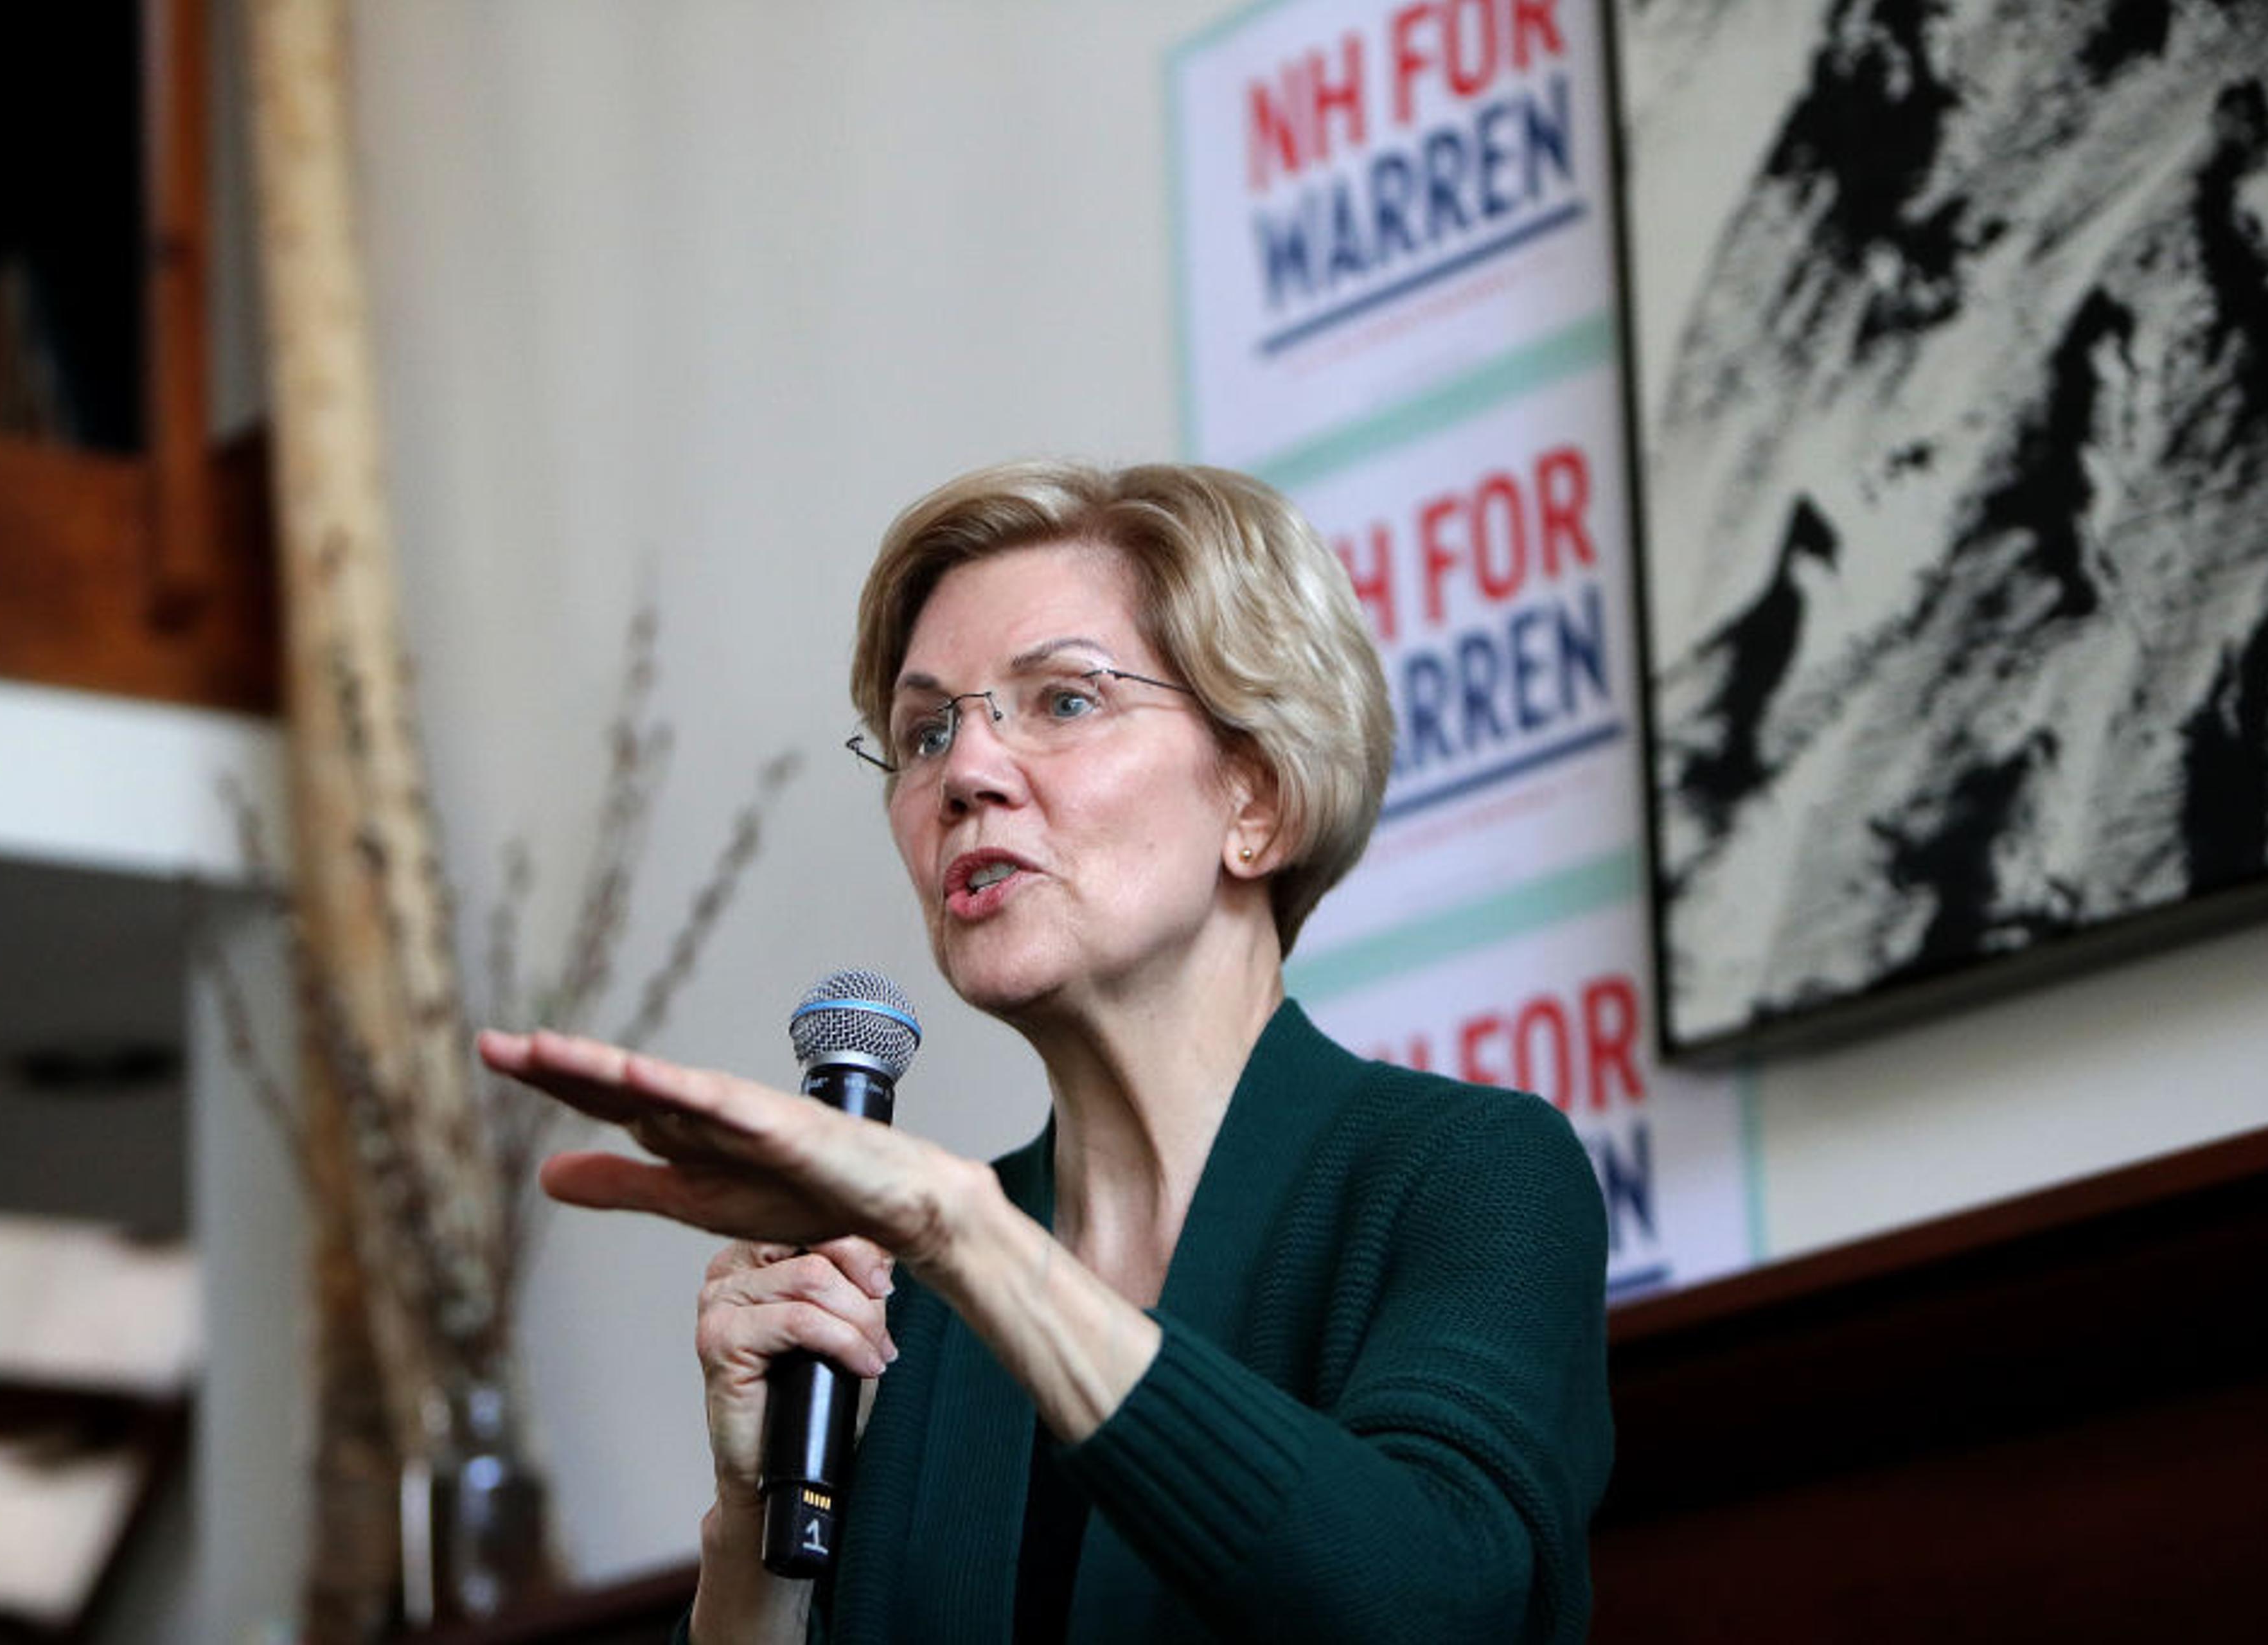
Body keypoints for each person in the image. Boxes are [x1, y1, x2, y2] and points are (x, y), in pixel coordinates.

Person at [479, 460, 1613, 1643]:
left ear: (1259, 797)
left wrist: (969, 1238)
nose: (964, 774)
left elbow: (1433, 1603)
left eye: (1065, 701)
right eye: (924, 733)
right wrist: (756, 1522)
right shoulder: (892, 1299)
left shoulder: (1471, 1175)